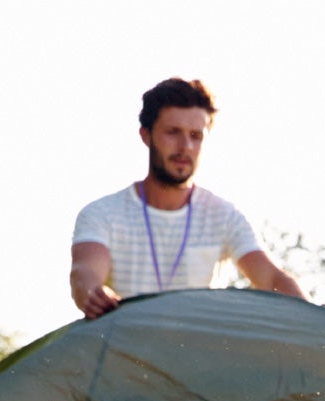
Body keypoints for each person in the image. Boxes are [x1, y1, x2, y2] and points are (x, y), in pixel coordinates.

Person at [69, 78, 308, 317]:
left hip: (198, 342)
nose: (186, 146)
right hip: (124, 339)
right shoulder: (102, 213)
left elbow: (271, 278)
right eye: (173, 132)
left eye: (196, 135)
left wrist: (315, 314)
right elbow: (85, 274)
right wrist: (93, 293)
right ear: (146, 135)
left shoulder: (225, 216)